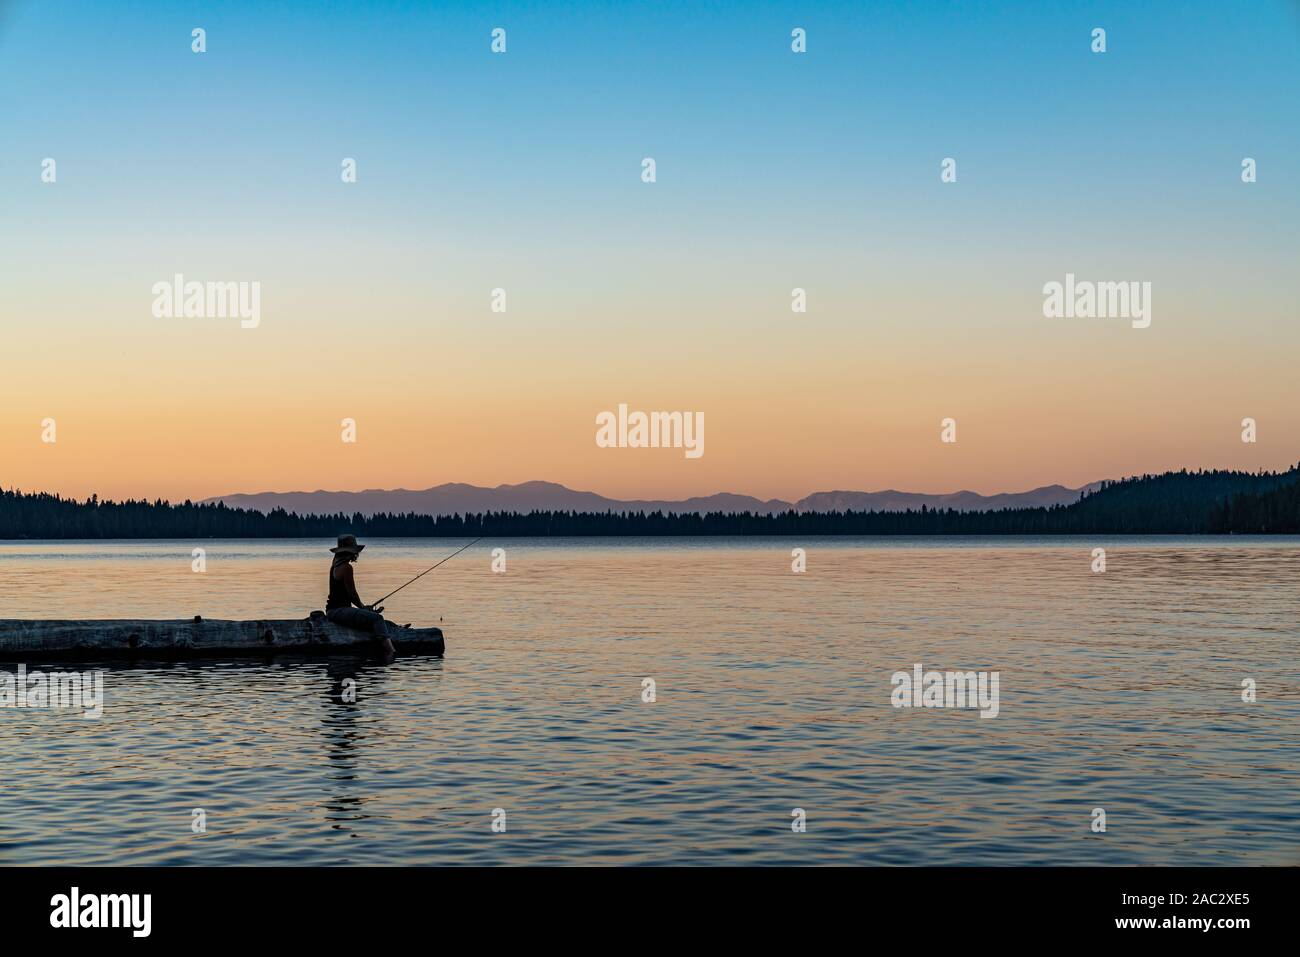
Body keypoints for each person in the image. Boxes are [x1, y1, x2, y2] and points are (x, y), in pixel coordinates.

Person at [325, 534, 396, 655]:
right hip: (338, 611)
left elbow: (350, 597)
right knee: (377, 618)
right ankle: (391, 652)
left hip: (333, 611)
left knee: (371, 618)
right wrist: (363, 608)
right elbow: (352, 594)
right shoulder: (347, 568)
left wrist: (364, 610)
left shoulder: (334, 565)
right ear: (351, 552)